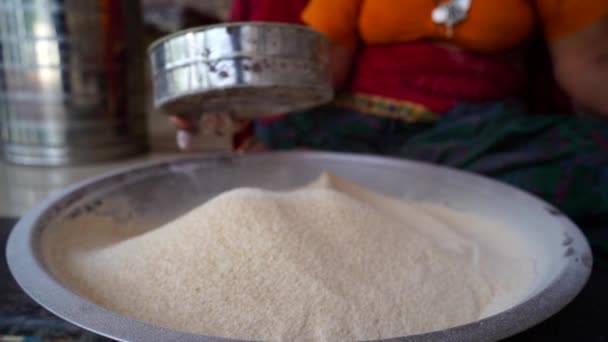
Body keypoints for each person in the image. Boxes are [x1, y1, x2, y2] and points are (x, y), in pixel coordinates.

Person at [172, 0, 608, 256]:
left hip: (473, 134)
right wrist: (229, 98)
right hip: (354, 123)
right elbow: (322, 69)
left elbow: (586, 68)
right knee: (260, 181)